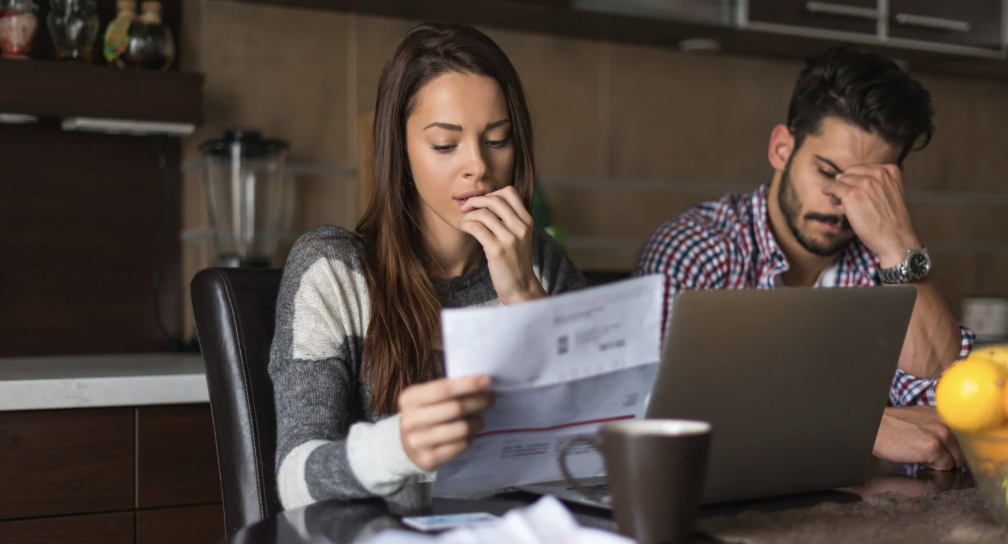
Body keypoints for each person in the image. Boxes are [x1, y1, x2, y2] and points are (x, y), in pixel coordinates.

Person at [269, 23, 584, 509]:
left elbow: (594, 451)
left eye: (497, 140)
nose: (477, 165)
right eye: (444, 145)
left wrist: (525, 297)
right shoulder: (333, 272)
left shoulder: (540, 262)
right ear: (401, 149)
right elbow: (295, 482)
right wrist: (398, 448)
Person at [634, 47, 973, 471]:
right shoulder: (697, 249)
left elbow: (957, 416)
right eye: (829, 172)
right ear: (781, 148)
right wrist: (863, 426)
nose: (841, 200)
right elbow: (659, 424)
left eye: (867, 184)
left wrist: (898, 243)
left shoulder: (883, 264)